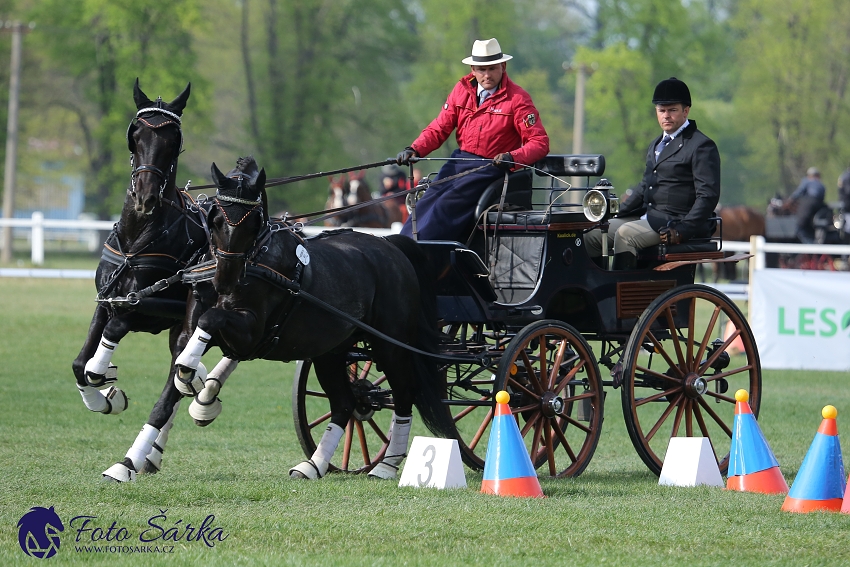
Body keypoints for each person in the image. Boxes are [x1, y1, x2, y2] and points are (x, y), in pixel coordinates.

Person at [396, 37, 549, 242]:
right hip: (459, 162)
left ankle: (421, 252)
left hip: (491, 169)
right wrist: (415, 149)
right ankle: (402, 245)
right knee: (426, 200)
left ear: (503, 66)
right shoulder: (461, 91)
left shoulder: (518, 99)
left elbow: (539, 143)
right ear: (472, 70)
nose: (487, 75)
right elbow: (440, 127)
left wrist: (512, 158)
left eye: (492, 69)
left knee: (446, 205)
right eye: (481, 70)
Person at [584, 77, 721, 269]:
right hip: (649, 217)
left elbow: (707, 196)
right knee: (592, 234)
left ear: (686, 111)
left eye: (672, 110)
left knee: (626, 234)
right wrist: (613, 214)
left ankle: (618, 295)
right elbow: (644, 187)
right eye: (661, 110)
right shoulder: (656, 144)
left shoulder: (701, 146)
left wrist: (682, 229)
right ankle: (591, 293)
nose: (666, 115)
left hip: (674, 222)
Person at [787, 167, 826, 244]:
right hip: (820, 205)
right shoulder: (821, 185)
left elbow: (799, 192)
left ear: (810, 175)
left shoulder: (807, 181)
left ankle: (810, 246)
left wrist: (790, 199)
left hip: (809, 204)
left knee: (799, 227)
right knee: (808, 226)